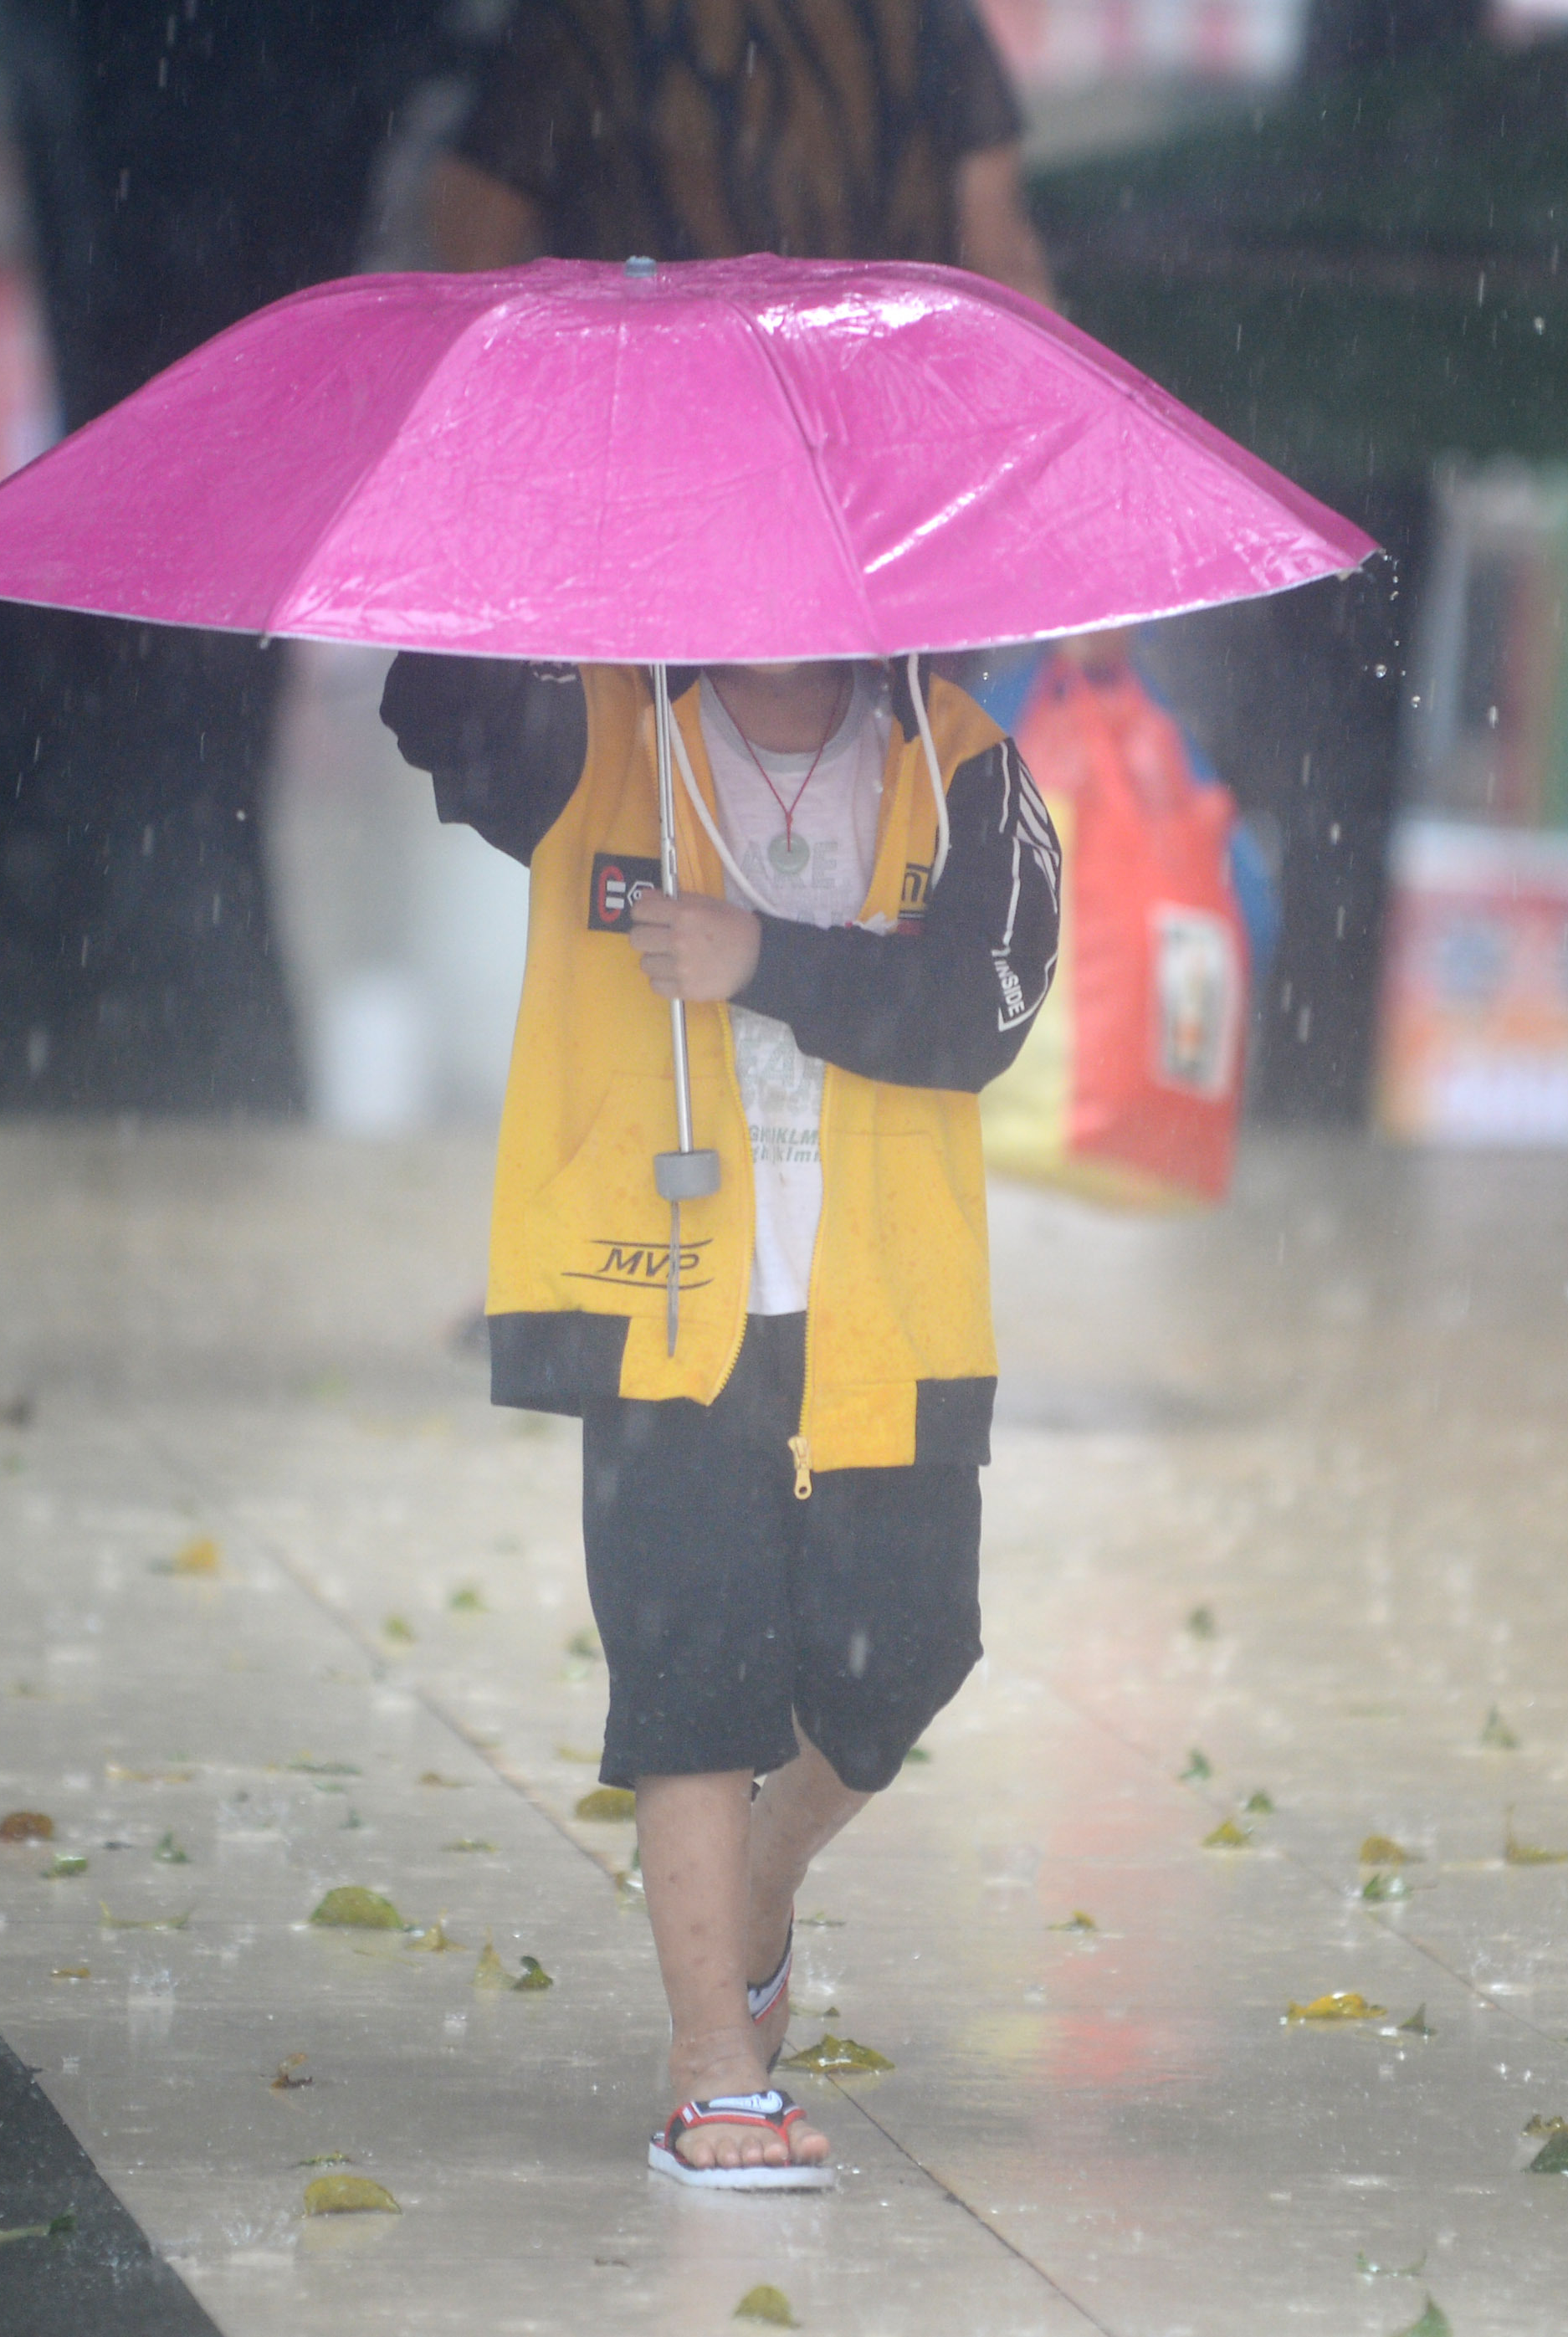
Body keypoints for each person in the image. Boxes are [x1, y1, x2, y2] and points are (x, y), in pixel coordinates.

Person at [382, 647, 1058, 2183]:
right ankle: (711, 2065)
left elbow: (981, 1010)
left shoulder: (958, 762)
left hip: (887, 1299)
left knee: (905, 1650)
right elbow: (442, 715)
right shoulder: (592, 718)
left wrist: (765, 958)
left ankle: (760, 1872)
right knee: (690, 1669)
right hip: (658, 1290)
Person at [423, 0, 1053, 303]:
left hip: (657, 425)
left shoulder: (585, 25)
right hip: (878, 417)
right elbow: (1000, 256)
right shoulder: (920, 16)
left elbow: (468, 260)